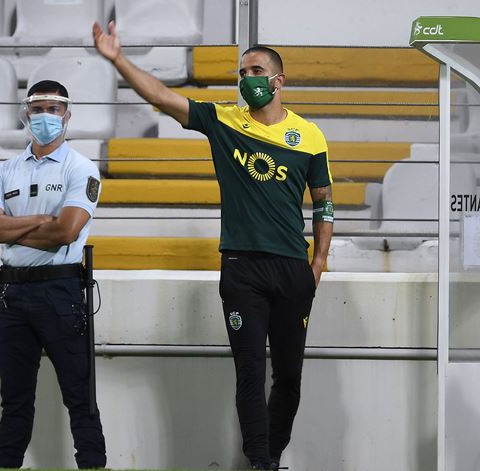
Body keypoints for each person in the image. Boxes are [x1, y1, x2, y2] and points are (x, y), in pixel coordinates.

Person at [93, 22, 334, 471]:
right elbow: (163, 99)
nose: (246, 80)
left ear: (278, 80)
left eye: (255, 70)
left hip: (291, 270)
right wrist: (118, 59)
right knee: (248, 373)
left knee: (290, 378)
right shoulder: (223, 120)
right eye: (241, 73)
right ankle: (260, 462)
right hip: (242, 268)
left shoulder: (310, 136)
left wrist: (317, 263)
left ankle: (273, 453)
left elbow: (324, 205)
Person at [0, 80, 107, 469]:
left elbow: (66, 231)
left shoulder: (81, 167)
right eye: (38, 109)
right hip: (12, 296)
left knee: (80, 395)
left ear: (67, 116)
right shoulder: (5, 171)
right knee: (13, 400)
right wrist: (39, 221)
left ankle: (92, 464)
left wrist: (12, 228)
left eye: (54, 109)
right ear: (26, 114)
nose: (45, 117)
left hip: (61, 291)